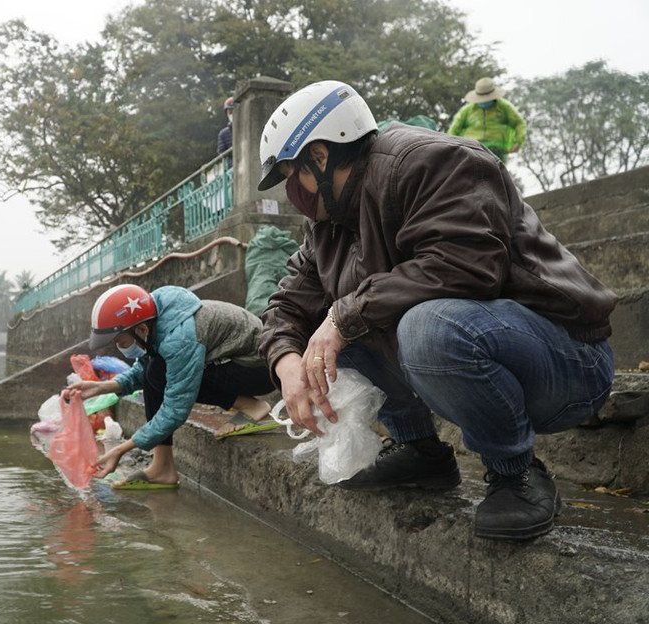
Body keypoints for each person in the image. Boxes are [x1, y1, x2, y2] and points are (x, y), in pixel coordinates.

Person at [256, 80, 615, 540]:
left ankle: (515, 471)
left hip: (566, 361)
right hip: (476, 354)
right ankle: (420, 450)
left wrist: (341, 318)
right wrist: (286, 362)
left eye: (292, 174)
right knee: (326, 341)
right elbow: (288, 303)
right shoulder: (326, 224)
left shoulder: (433, 162)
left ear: (320, 157)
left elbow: (467, 265)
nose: (294, 191)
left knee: (419, 325)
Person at [65, 283, 278, 489]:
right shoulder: (155, 320)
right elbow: (143, 370)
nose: (120, 348)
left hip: (260, 369)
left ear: (140, 329)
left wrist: (122, 449)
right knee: (154, 370)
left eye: (121, 342)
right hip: (235, 363)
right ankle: (162, 467)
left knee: (160, 372)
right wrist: (101, 388)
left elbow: (176, 409)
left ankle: (251, 406)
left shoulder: (181, 338)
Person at [447, 77, 527, 163]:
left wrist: (518, 142)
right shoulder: (467, 110)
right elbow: (455, 129)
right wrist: (450, 146)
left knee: (495, 174)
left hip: (496, 149)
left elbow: (519, 124)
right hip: (471, 148)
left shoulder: (504, 107)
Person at [217, 97, 235, 163]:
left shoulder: (248, 130)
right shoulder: (223, 134)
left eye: (234, 111)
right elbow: (222, 155)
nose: (232, 114)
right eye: (230, 112)